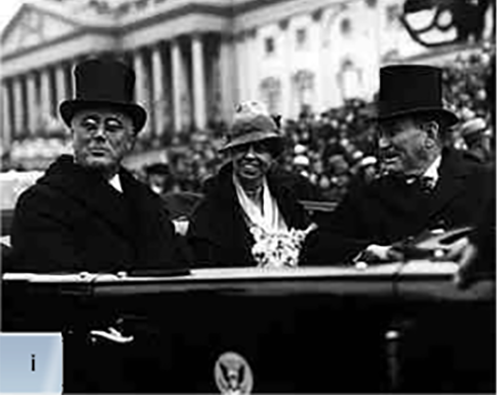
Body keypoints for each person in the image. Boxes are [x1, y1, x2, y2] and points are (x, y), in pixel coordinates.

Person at [303, 65, 494, 265]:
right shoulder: (369, 195)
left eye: (393, 132)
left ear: (430, 133)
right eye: (379, 134)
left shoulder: (484, 182)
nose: (382, 144)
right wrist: (371, 251)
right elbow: (315, 246)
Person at [9, 57, 185, 273]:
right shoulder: (40, 204)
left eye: (113, 127)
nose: (100, 135)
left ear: (130, 140)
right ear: (72, 135)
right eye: (89, 126)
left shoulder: (149, 203)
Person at [187, 101, 322, 267]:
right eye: (242, 148)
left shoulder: (296, 191)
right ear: (231, 153)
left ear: (272, 156)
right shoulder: (211, 207)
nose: (250, 156)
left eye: (259, 149)